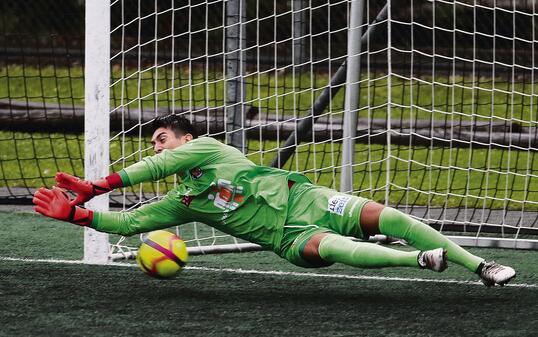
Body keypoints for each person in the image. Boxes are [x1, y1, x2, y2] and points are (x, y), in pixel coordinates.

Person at [33, 114, 516, 287]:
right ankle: (418, 260)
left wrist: (96, 186)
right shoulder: (183, 203)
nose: (157, 147)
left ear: (187, 139)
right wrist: (77, 215)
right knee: (330, 248)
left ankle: (481, 267)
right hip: (291, 237)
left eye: (163, 138)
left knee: (388, 215)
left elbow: (152, 169)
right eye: (154, 141)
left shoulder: (210, 148)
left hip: (306, 199)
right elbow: (127, 225)